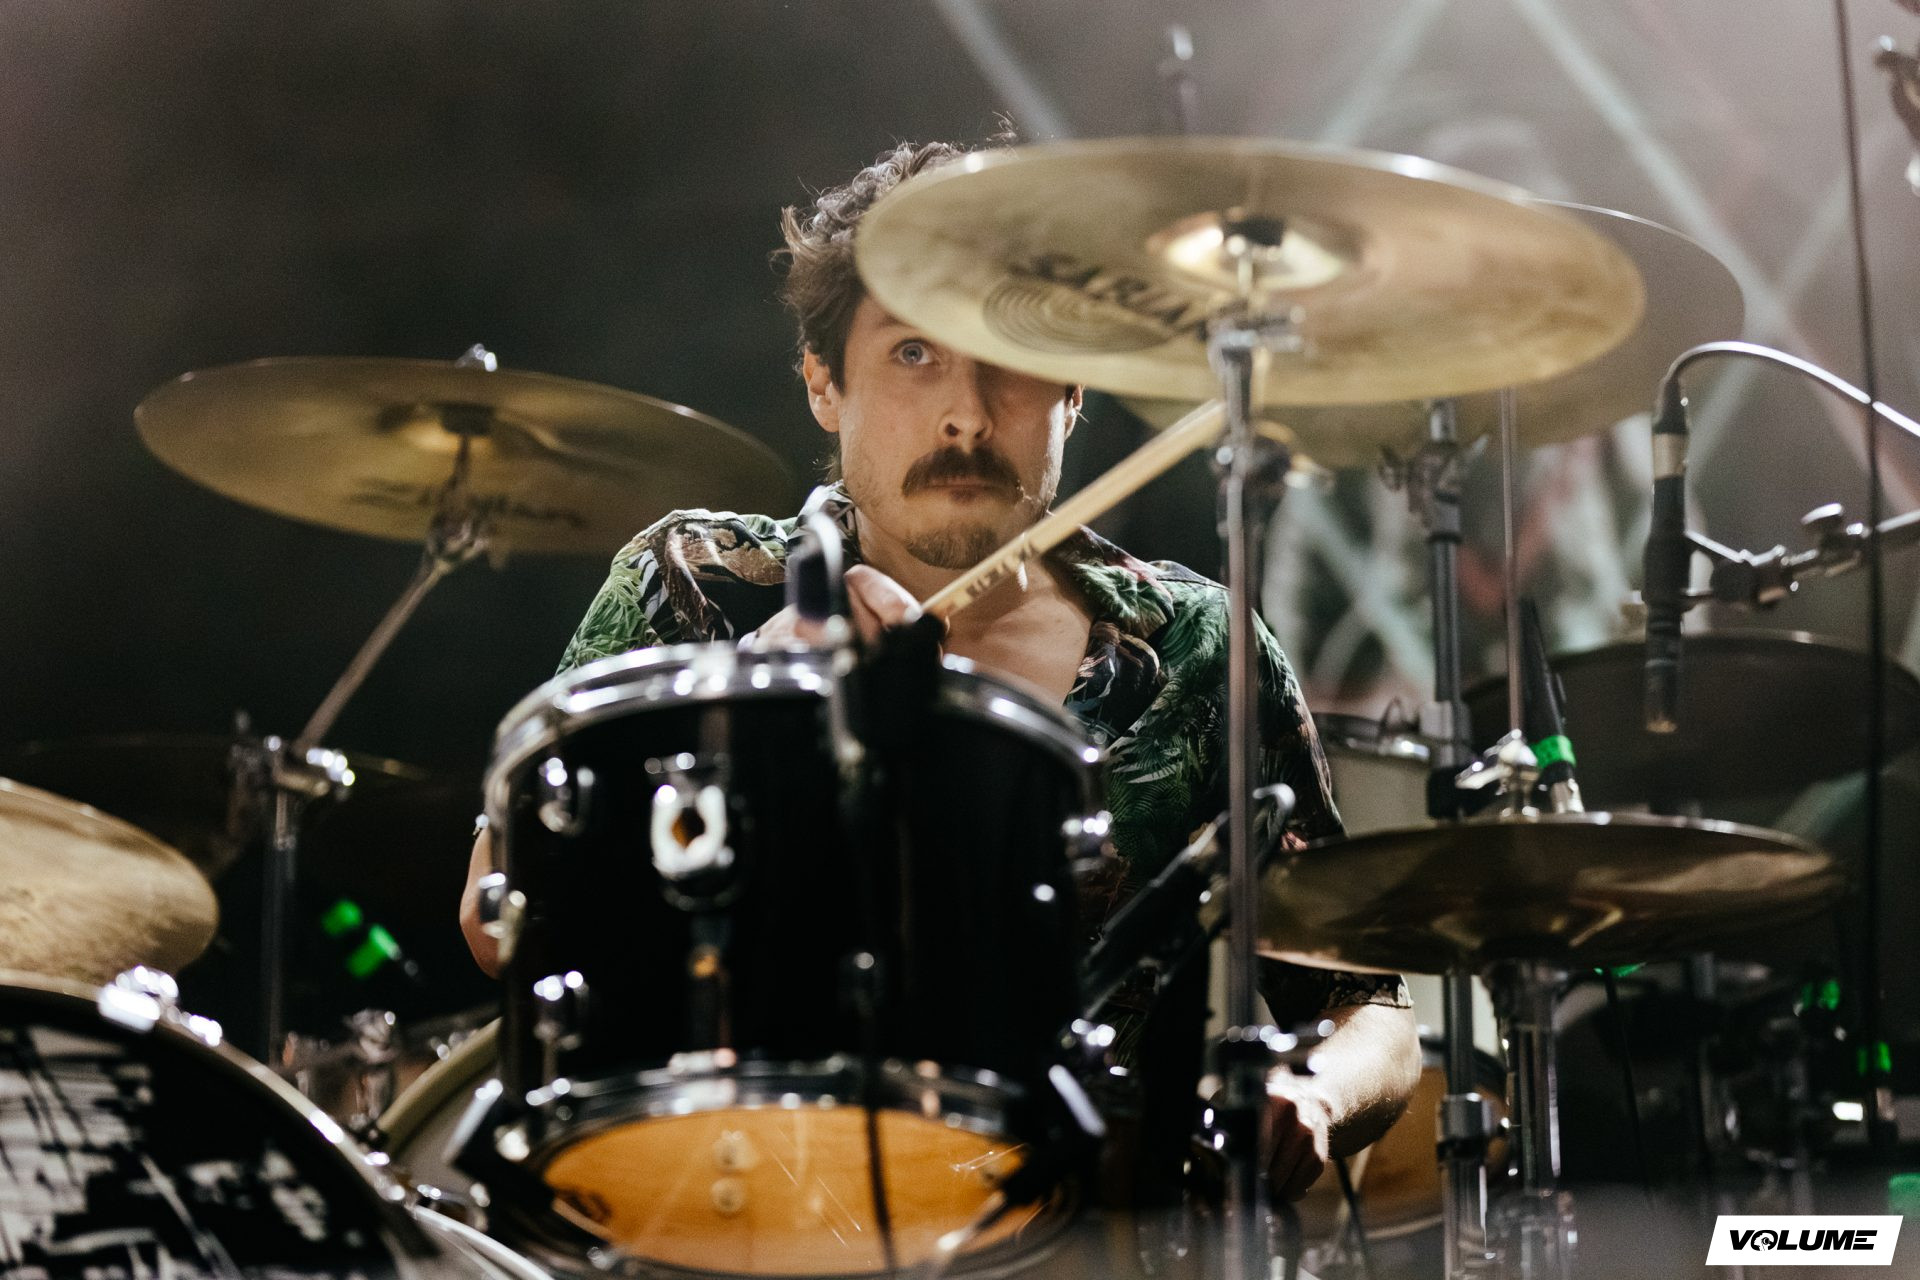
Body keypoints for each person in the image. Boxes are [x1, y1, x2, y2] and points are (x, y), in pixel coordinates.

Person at [461, 139, 1420, 1205]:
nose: (966, 411)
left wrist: (1314, 1093)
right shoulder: (692, 584)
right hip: (721, 1208)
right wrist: (756, 701)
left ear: (1072, 391)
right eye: (913, 353)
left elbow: (1371, 1009)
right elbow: (498, 913)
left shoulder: (1195, 643)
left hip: (1064, 1236)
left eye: (1005, 355)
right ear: (824, 383)